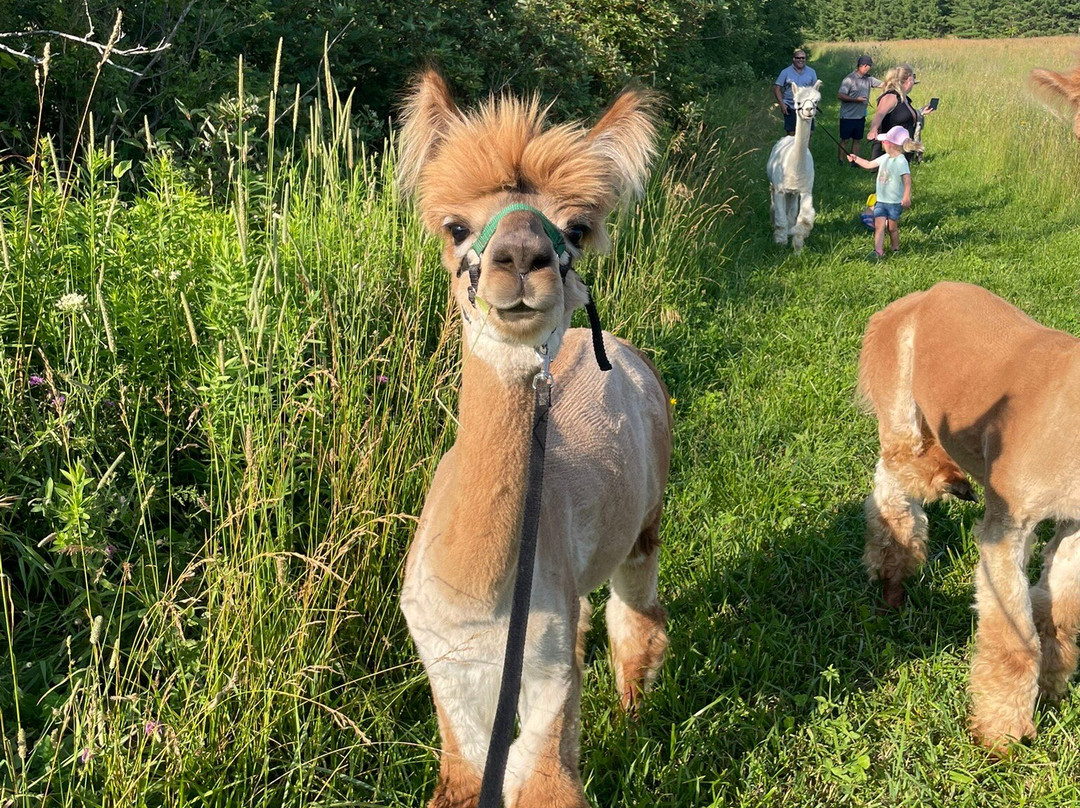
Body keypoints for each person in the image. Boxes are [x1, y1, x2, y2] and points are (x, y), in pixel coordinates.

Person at [847, 126, 912, 261]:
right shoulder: (885, 157)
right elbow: (870, 164)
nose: (882, 143)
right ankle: (878, 251)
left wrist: (906, 196)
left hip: (894, 202)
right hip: (881, 201)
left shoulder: (901, 161)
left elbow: (907, 179)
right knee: (879, 226)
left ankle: (895, 248)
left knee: (892, 228)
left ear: (890, 144)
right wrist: (856, 159)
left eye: (884, 141)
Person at [867, 63, 934, 159]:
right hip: (889, 154)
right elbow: (879, 115)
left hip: (901, 153)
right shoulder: (891, 96)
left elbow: (904, 116)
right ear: (908, 79)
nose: (914, 80)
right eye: (913, 76)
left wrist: (921, 111)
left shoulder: (904, 98)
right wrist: (873, 130)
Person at [837, 55, 882, 165]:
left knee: (857, 140)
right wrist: (856, 100)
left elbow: (882, 84)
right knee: (845, 140)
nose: (869, 69)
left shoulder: (869, 79)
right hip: (847, 116)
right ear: (863, 66)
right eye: (868, 66)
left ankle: (855, 161)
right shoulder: (849, 79)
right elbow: (840, 95)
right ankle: (840, 161)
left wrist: (896, 83)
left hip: (860, 116)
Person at [773, 49, 819, 135]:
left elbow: (815, 90)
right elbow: (777, 88)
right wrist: (782, 104)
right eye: (798, 58)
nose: (801, 60)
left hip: (806, 107)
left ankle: (806, 149)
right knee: (791, 133)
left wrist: (815, 105)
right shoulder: (785, 72)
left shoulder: (811, 72)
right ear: (793, 59)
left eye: (803, 58)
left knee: (809, 133)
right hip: (790, 107)